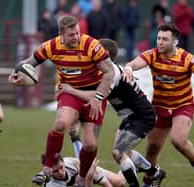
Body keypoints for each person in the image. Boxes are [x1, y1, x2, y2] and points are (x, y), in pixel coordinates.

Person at [8, 15, 115, 186]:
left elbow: (109, 72)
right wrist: (16, 73)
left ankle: (81, 177)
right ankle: (47, 169)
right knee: (60, 124)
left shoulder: (91, 45)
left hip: (93, 95)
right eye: (71, 34)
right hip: (69, 93)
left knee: (90, 145)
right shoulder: (51, 46)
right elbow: (29, 63)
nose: (76, 37)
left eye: (77, 33)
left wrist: (98, 98)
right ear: (61, 34)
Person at [57, 38, 166, 187]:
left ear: (105, 54)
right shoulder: (104, 71)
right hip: (130, 117)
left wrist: (71, 90)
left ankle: (140, 182)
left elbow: (96, 96)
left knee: (118, 152)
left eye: (95, 50)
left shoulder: (112, 73)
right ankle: (154, 173)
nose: (91, 53)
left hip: (142, 116)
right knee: (123, 153)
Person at [122, 23, 194, 186]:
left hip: (183, 105)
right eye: (158, 38)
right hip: (159, 106)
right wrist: (129, 68)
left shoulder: (186, 58)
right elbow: (135, 63)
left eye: (165, 39)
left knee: (178, 140)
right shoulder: (152, 55)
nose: (160, 42)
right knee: (152, 148)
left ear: (175, 42)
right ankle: (151, 180)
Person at [34, 144, 126, 187]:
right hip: (84, 180)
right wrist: (89, 178)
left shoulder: (71, 163)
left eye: (61, 167)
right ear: (49, 171)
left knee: (120, 183)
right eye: (55, 171)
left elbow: (104, 182)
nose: (61, 172)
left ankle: (128, 162)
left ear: (63, 161)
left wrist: (90, 176)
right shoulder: (53, 185)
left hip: (88, 174)